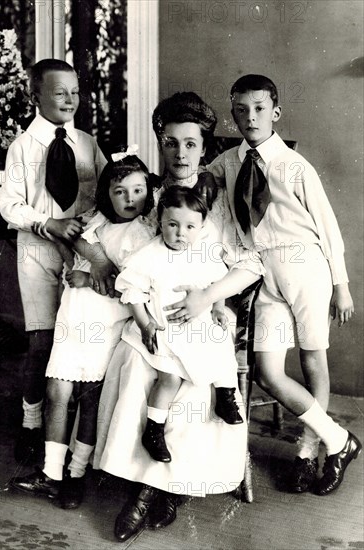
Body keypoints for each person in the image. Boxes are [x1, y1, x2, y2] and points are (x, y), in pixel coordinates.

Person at [92, 92, 264, 543]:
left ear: (204, 147)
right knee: (133, 365)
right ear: (160, 144)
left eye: (190, 144)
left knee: (195, 379)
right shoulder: (145, 192)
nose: (181, 153)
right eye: (171, 143)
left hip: (202, 320)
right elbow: (104, 233)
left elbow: (250, 264)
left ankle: (153, 494)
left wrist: (210, 296)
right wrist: (93, 261)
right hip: (151, 316)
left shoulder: (217, 200)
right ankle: (146, 482)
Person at [207, 74, 361, 495]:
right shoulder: (229, 161)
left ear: (275, 112)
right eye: (241, 110)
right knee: (270, 372)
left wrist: (341, 284)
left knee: (313, 359)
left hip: (305, 266)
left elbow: (327, 227)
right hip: (261, 272)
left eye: (259, 109)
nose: (250, 117)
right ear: (233, 114)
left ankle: (308, 452)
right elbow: (199, 183)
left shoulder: (295, 166)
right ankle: (339, 440)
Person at [10, 151, 156, 509]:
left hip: (103, 325)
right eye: (120, 191)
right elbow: (76, 238)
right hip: (72, 320)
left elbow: (130, 287)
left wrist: (89, 277)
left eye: (138, 190)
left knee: (89, 399)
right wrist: (84, 254)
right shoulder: (96, 220)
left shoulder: (143, 235)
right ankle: (51, 473)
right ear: (107, 193)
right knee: (57, 393)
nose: (130, 199)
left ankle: (75, 474)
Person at [0, 59, 107, 465]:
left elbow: (105, 192)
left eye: (75, 92)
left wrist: (85, 230)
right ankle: (31, 422)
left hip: (82, 252)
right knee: (43, 339)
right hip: (38, 252)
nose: (70, 100)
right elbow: (9, 204)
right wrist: (48, 223)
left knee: (79, 337)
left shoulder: (86, 143)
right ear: (36, 96)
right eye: (60, 92)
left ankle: (79, 429)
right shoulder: (23, 147)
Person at [117, 186, 243, 463]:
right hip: (166, 325)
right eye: (172, 224)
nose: (180, 233)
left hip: (198, 322)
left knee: (222, 347)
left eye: (189, 226)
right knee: (169, 376)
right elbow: (133, 294)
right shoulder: (149, 255)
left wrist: (219, 308)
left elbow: (215, 283)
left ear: (200, 228)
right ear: (160, 221)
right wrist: (145, 323)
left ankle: (225, 396)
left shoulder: (203, 252)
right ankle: (154, 428)